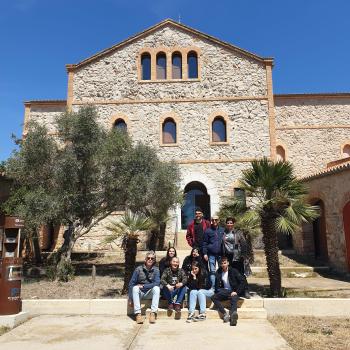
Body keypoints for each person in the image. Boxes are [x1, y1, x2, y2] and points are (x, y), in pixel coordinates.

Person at [211, 257, 246, 326]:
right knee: (213, 297)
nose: (223, 265)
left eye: (225, 263)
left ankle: (233, 316)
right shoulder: (219, 272)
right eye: (222, 263)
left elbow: (243, 281)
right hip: (224, 292)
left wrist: (237, 292)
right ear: (220, 264)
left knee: (234, 298)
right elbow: (217, 285)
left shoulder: (233, 271)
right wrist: (218, 291)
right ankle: (224, 313)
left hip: (234, 292)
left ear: (228, 263)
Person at [128, 251, 160, 324]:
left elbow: (157, 283)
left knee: (156, 288)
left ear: (154, 260)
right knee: (135, 288)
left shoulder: (156, 270)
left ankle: (153, 313)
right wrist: (130, 298)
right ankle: (138, 315)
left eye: (152, 258)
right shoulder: (138, 269)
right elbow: (131, 284)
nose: (150, 259)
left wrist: (144, 286)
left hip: (149, 293)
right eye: (148, 258)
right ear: (145, 259)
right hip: (140, 293)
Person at [222, 217, 251, 299]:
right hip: (228, 256)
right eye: (228, 223)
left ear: (233, 224)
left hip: (237, 256)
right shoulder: (224, 233)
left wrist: (243, 255)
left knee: (241, 274)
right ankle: (236, 291)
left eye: (231, 222)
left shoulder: (238, 232)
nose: (229, 224)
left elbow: (244, 244)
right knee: (231, 274)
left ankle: (245, 290)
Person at [203, 215, 224, 288]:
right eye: (213, 220)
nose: (214, 221)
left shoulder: (222, 230)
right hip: (211, 254)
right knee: (212, 271)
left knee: (222, 269)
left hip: (221, 254)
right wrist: (205, 253)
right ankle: (213, 287)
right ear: (211, 221)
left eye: (216, 220)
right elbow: (205, 242)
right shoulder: (208, 231)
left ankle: (222, 285)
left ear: (219, 220)